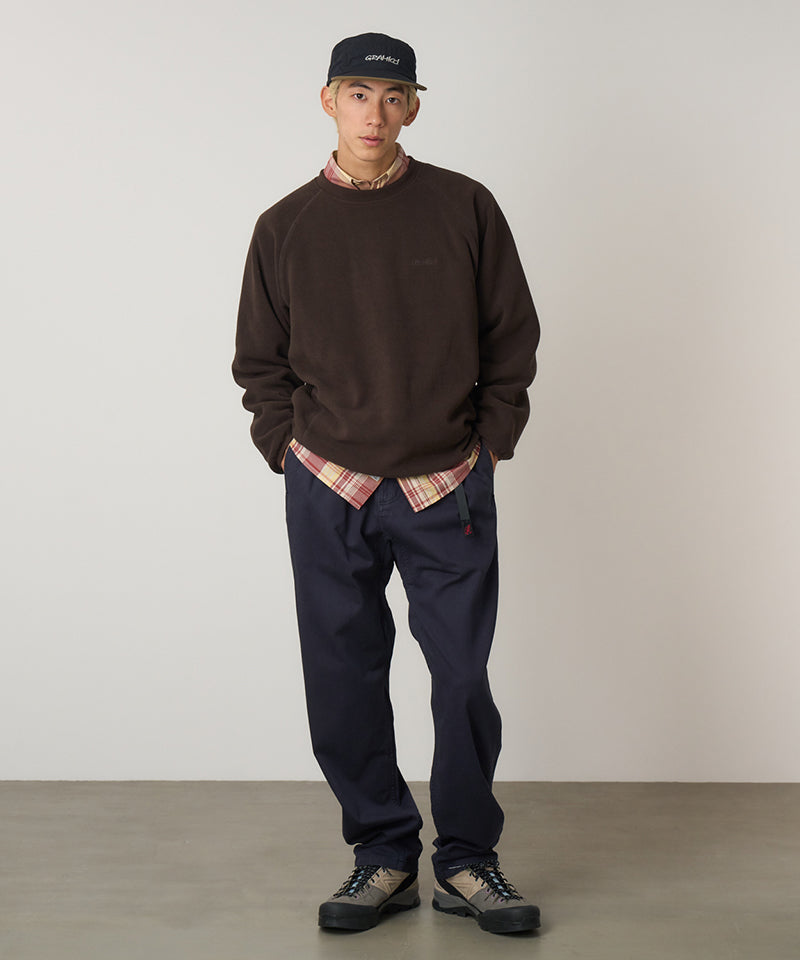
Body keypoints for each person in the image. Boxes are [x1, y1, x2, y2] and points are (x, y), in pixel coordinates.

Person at [232, 32, 541, 936]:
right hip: (329, 483)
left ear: (413, 107)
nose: (375, 112)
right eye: (358, 93)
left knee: (462, 679)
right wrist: (288, 449)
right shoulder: (284, 225)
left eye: (393, 96)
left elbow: (511, 336)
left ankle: (469, 861)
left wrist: (489, 444)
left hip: (447, 483)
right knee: (343, 679)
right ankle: (382, 855)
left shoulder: (464, 206)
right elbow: (260, 362)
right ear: (328, 99)